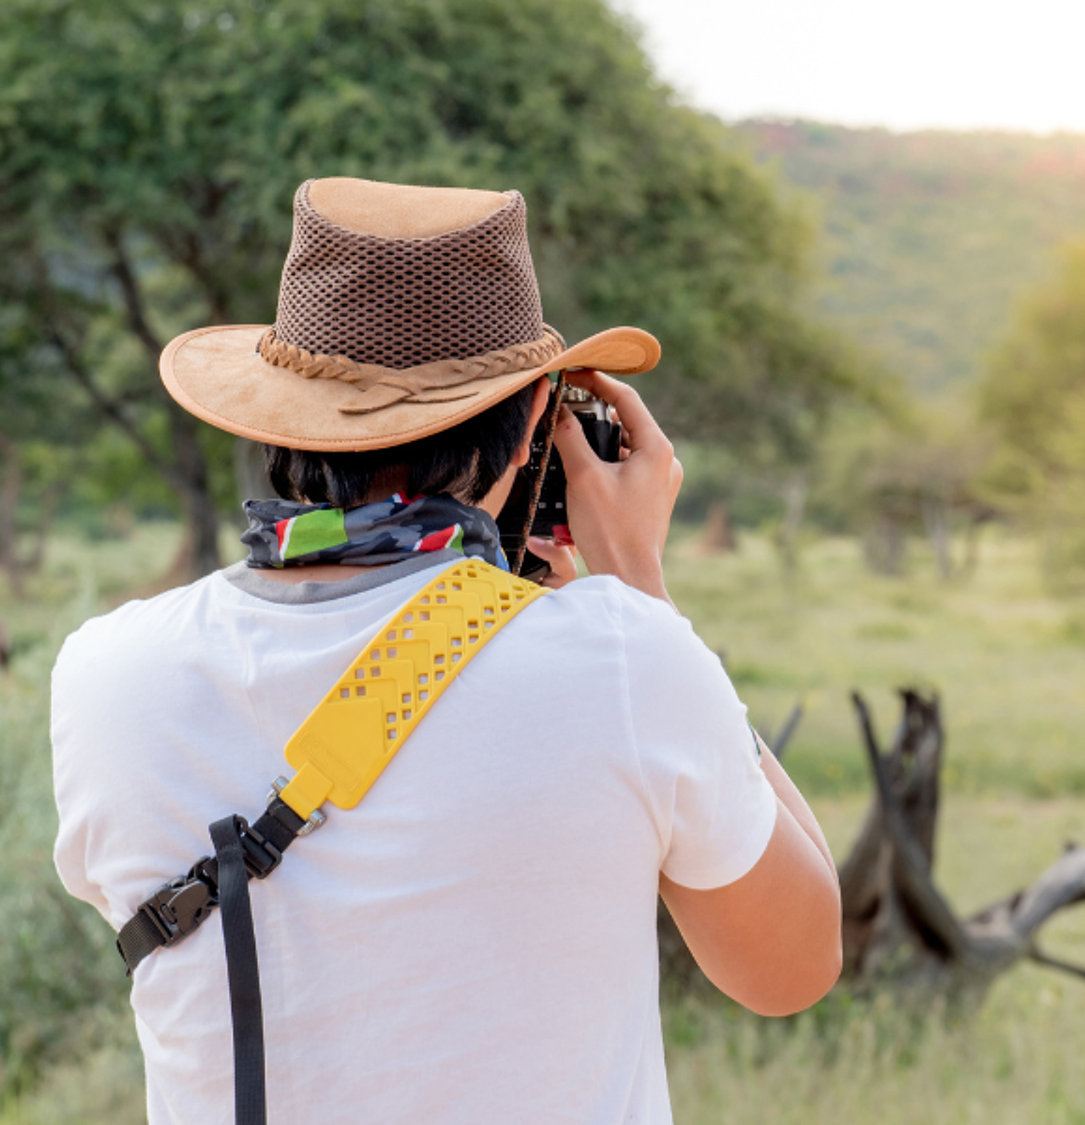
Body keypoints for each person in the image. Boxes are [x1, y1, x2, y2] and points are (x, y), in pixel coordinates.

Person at [50, 177, 841, 1123]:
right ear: (527, 441)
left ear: (277, 420)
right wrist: (642, 584)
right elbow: (793, 965)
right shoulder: (626, 660)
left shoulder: (104, 674)